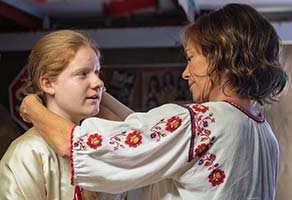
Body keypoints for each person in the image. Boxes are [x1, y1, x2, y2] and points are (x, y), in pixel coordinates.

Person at [19, 4, 288, 200]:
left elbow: (77, 146)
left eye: (191, 57)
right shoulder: (264, 135)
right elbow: (143, 131)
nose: (185, 72)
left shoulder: (202, 123)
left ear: (219, 57)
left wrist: (32, 105)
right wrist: (99, 90)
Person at [0, 30, 130, 200]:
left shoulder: (103, 146)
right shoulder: (29, 152)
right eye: (83, 74)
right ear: (48, 83)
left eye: (97, 72)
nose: (99, 82)